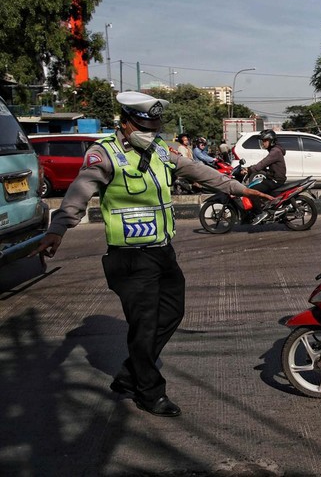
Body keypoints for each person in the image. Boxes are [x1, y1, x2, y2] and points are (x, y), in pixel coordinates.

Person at [30, 91, 273, 417]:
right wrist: (58, 228)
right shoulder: (105, 155)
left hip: (162, 253)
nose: (151, 132)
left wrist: (240, 189)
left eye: (155, 126)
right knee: (143, 326)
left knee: (172, 313)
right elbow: (79, 191)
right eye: (144, 126)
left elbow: (200, 173)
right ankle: (149, 392)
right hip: (128, 258)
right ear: (126, 123)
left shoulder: (161, 152)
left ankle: (130, 374)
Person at [241, 129, 287, 225]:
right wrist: (249, 169)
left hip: (276, 181)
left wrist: (250, 170)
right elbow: (264, 165)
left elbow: (262, 163)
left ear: (271, 141)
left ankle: (260, 213)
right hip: (273, 178)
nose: (263, 143)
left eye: (265, 141)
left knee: (252, 191)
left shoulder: (275, 151)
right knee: (255, 183)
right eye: (263, 141)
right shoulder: (274, 150)